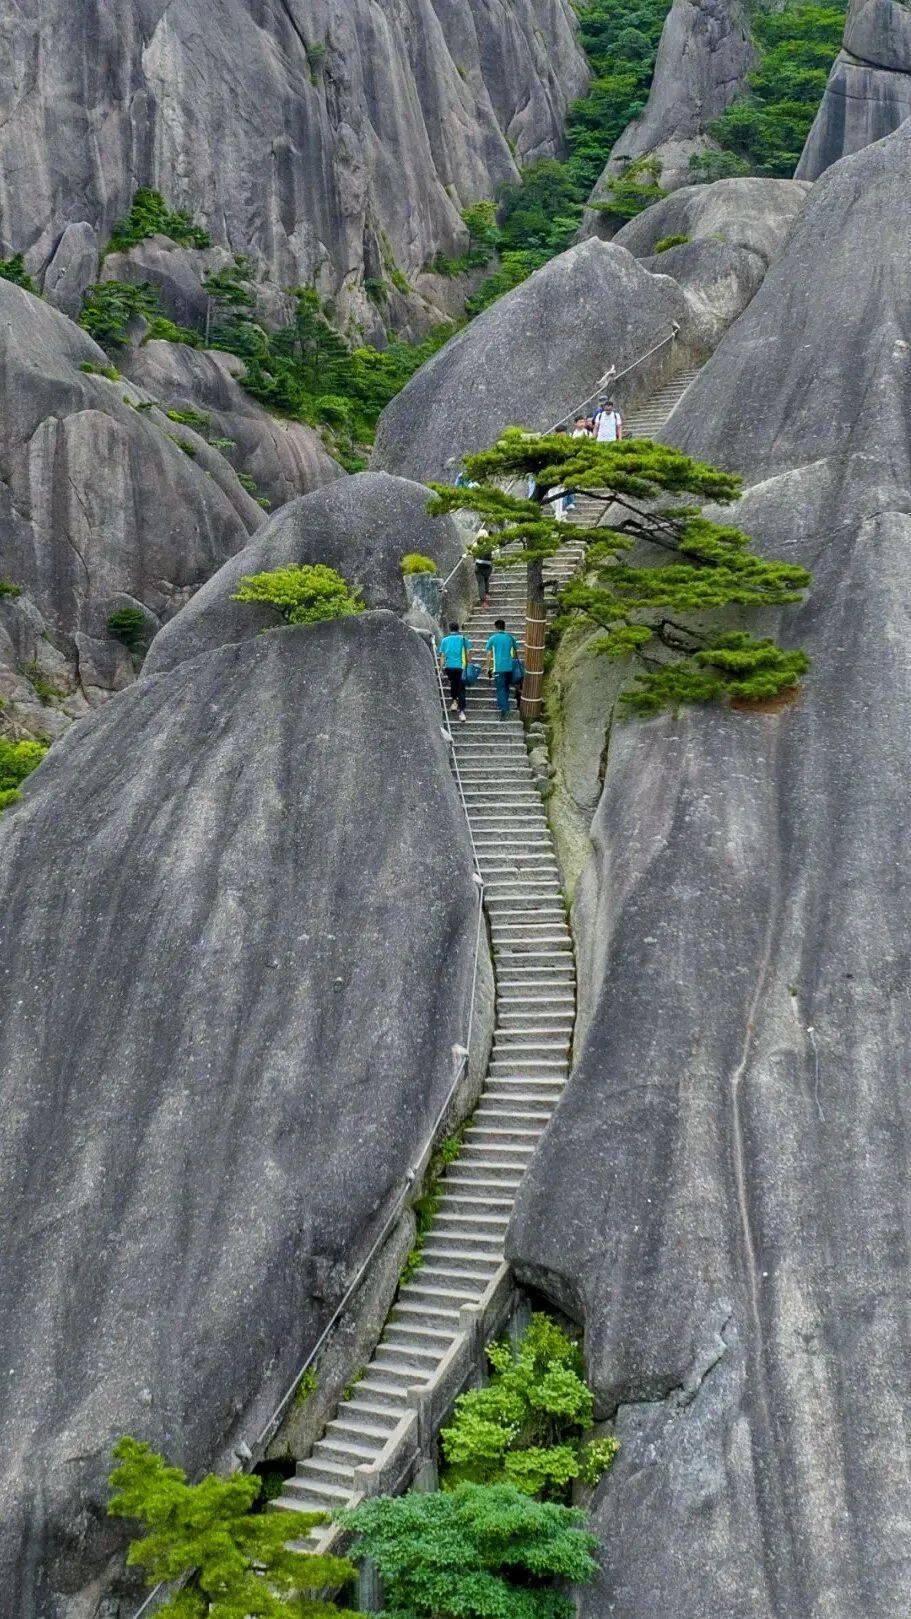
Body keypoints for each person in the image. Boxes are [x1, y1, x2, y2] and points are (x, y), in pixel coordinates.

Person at [485, 618, 520, 721]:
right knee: (506, 687)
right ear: (504, 626)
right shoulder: (510, 637)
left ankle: (504, 710)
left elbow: (488, 654)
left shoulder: (493, 638)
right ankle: (504, 704)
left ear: (496, 627)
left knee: (500, 689)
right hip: (509, 667)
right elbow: (515, 652)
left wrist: (488, 667)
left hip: (498, 667)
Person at [438, 622, 471, 723]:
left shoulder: (445, 640)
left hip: (449, 667)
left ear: (450, 629)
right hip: (460, 667)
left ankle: (454, 702)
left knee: (453, 684)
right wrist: (468, 664)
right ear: (458, 629)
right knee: (461, 689)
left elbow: (442, 656)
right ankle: (461, 712)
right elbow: (468, 654)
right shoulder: (464, 639)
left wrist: (440, 669)